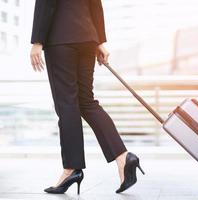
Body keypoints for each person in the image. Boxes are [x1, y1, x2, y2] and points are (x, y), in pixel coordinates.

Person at [29, 0, 144, 195]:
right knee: (86, 102)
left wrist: (37, 41)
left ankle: (71, 169)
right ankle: (123, 158)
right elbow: (95, 4)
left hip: (60, 37)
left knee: (67, 104)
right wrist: (99, 41)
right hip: (87, 37)